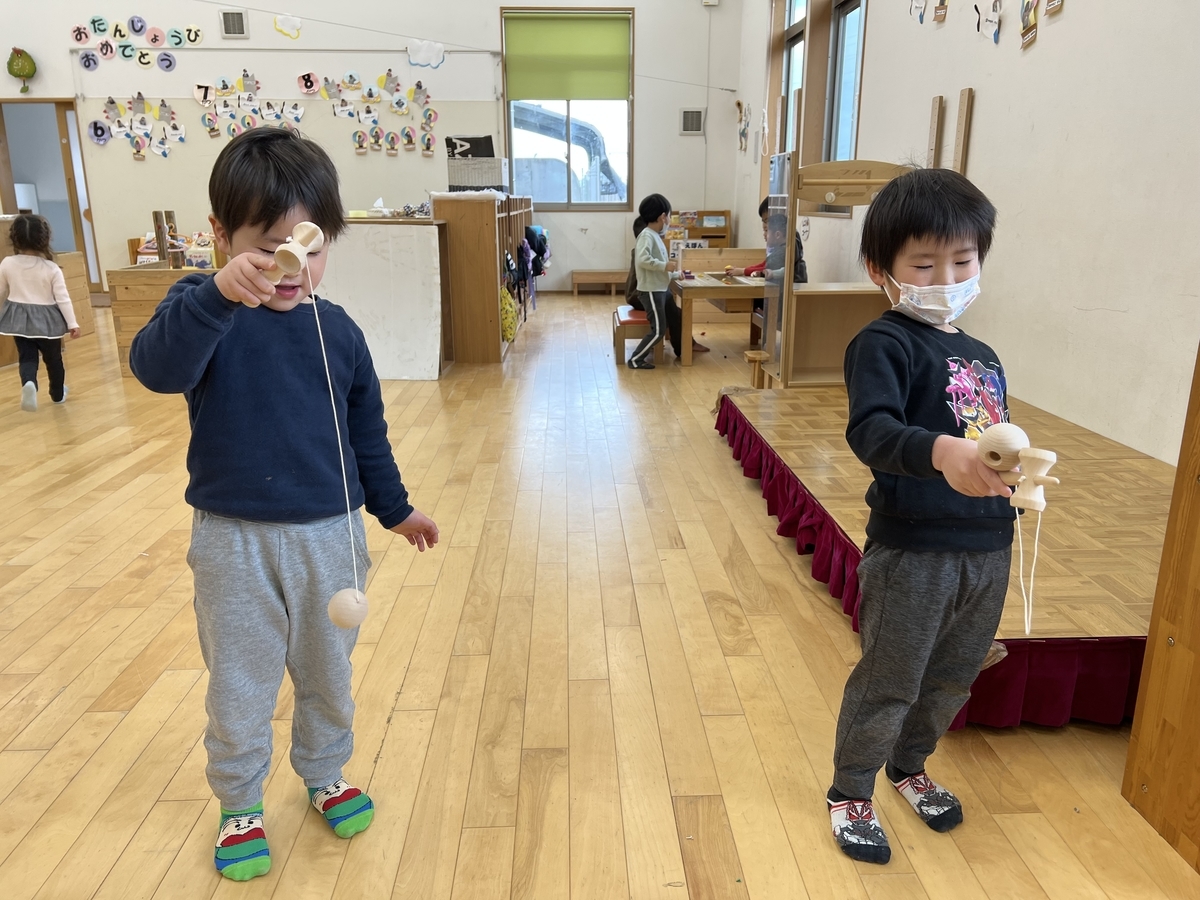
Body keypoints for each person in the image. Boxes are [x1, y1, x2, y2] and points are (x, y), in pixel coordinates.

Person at [129, 128, 440, 882]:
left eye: (311, 246)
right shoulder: (202, 310)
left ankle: (324, 770)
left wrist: (395, 509)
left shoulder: (340, 333)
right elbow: (156, 369)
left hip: (330, 539)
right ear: (222, 237)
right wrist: (216, 294)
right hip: (231, 542)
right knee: (240, 681)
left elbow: (367, 434)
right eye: (269, 249)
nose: (292, 267)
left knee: (328, 670)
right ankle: (240, 802)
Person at [827, 167, 1014, 865]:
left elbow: (989, 444)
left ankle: (909, 766)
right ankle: (850, 790)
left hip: (987, 549)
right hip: (914, 552)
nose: (947, 278)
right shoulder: (884, 343)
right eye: (925, 265)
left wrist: (1017, 474)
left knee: (951, 678)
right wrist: (939, 452)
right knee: (891, 678)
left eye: (962, 261)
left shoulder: (983, 356)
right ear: (882, 270)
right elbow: (871, 432)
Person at [0, 215, 80, 412]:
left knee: (27, 357)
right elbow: (63, 298)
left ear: (15, 238)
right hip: (47, 322)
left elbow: (0, 291)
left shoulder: (7, 263)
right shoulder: (51, 268)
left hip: (19, 320)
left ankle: (29, 382)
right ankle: (57, 394)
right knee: (53, 360)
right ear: (45, 238)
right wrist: (72, 323)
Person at [624, 215, 708, 355]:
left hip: (638, 294)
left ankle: (681, 345)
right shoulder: (644, 251)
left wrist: (675, 274)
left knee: (673, 308)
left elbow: (657, 273)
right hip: (640, 295)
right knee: (675, 313)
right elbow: (653, 274)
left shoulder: (643, 248)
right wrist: (668, 270)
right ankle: (683, 346)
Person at [627, 193, 676, 369]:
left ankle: (637, 358)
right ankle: (635, 359)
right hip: (651, 291)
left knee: (663, 326)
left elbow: (659, 270)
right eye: (668, 215)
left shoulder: (654, 235)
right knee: (658, 330)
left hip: (658, 289)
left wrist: (676, 275)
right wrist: (665, 266)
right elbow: (642, 260)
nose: (669, 219)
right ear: (662, 216)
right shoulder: (647, 235)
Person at [729, 197, 808, 283]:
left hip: (793, 284)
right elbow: (766, 264)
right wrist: (743, 270)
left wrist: (743, 271)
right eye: (764, 221)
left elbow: (769, 268)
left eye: (767, 221)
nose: (766, 225)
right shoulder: (780, 243)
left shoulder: (789, 241)